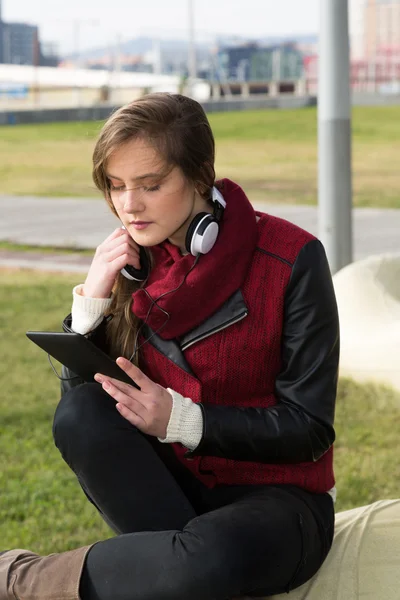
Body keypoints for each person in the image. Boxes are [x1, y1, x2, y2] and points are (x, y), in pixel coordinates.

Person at [0, 93, 339, 600]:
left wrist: (182, 420)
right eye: (115, 187)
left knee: (211, 555)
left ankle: (20, 579)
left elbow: (309, 428)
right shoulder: (132, 261)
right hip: (173, 485)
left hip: (279, 502)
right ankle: (175, 566)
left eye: (151, 185)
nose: (128, 206)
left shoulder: (293, 259)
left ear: (199, 176)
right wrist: (92, 299)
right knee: (81, 413)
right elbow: (85, 409)